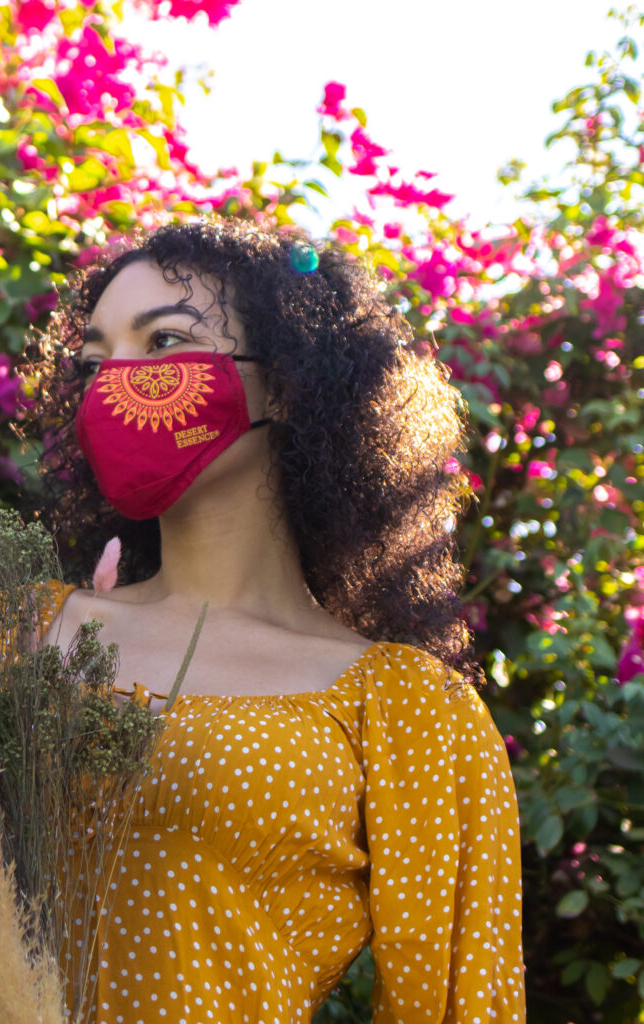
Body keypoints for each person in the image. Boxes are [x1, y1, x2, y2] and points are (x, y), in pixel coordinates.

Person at [27, 217, 526, 1024]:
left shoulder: (402, 710)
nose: (114, 382)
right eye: (94, 361)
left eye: (162, 345)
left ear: (286, 384)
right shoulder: (24, 633)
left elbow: (457, 1006)